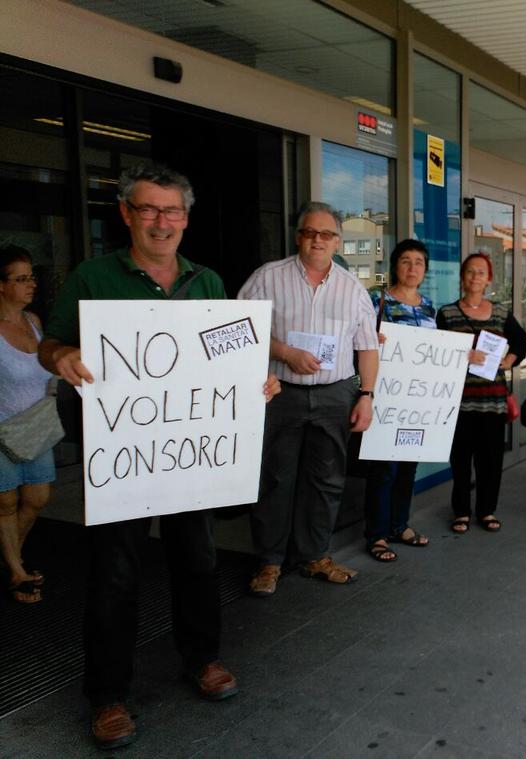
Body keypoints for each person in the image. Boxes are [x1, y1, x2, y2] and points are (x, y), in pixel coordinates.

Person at [38, 162, 280, 750]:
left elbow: (228, 357)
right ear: (126, 214)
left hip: (191, 458)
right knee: (114, 576)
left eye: (171, 210)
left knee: (197, 563)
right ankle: (108, 695)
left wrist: (256, 382)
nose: (160, 221)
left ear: (186, 218)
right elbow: (48, 341)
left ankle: (201, 660)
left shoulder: (207, 281)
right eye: (148, 209)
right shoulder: (94, 277)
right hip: (123, 455)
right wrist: (61, 355)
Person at [239, 201, 377, 591]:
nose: (318, 240)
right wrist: (284, 353)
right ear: (298, 236)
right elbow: (236, 331)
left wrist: (366, 395)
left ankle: (315, 555)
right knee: (274, 479)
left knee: (328, 479)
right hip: (280, 394)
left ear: (338, 241)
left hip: (335, 395)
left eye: (327, 234)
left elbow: (367, 346)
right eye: (310, 232)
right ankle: (269, 562)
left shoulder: (353, 289)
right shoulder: (268, 278)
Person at [436, 253, 526, 533]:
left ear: (489, 279)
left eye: (481, 272)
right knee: (460, 460)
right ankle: (461, 511)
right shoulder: (447, 313)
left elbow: (520, 343)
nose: (475, 277)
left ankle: (487, 511)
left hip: (493, 401)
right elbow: (436, 352)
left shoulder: (500, 313)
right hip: (459, 401)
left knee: (491, 462)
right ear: (462, 278)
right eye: (470, 272)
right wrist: (463, 355)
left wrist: (509, 360)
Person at [363, 239, 436, 561]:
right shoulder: (375, 301)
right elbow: (356, 340)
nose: (412, 268)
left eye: (418, 262)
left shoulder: (429, 305)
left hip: (417, 402)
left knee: (407, 467)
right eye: (405, 261)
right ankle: (377, 534)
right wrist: (369, 339)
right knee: (383, 469)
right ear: (395, 265)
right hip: (383, 397)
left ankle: (399, 525)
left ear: (425, 269)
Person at [0, 245, 55, 604]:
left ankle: (10, 559)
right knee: (5, 503)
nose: (30, 284)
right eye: (21, 279)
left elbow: (48, 368)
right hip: (3, 428)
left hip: (37, 425)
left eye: (31, 276)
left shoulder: (34, 323)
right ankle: (17, 572)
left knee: (36, 497)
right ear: (0, 286)